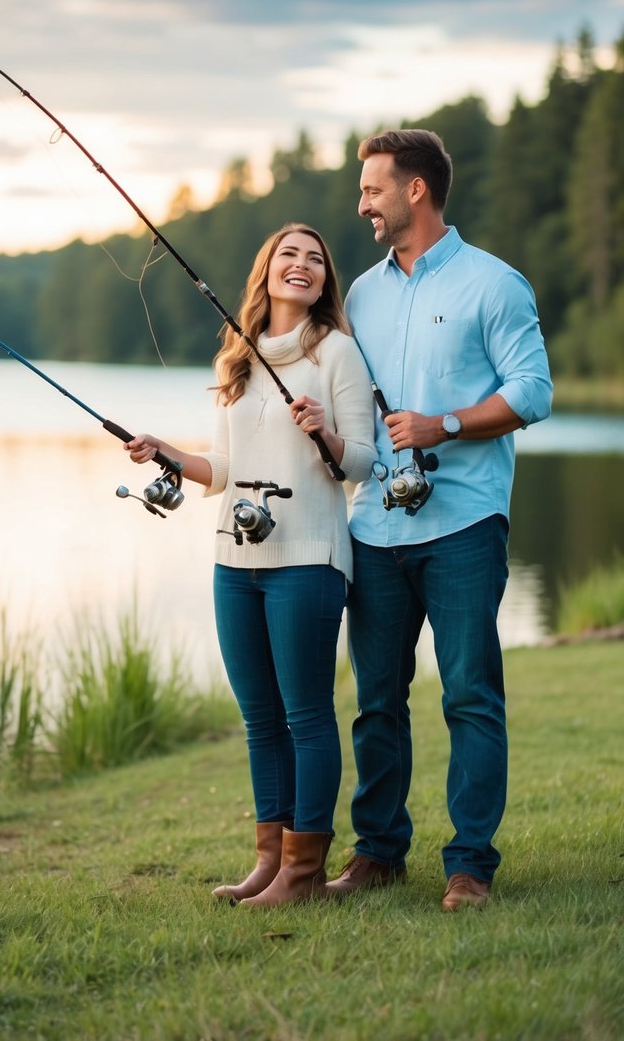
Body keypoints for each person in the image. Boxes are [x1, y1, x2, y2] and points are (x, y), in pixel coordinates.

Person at [326, 129, 553, 912]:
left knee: (469, 696)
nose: (361, 204)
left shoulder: (495, 285)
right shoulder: (359, 294)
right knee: (375, 702)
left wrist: (443, 426)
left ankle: (469, 866)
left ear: (413, 190)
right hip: (374, 530)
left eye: (371, 189)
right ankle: (378, 853)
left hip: (462, 526)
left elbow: (533, 393)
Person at [125, 223, 376, 907]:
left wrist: (321, 429)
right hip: (233, 560)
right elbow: (224, 470)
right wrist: (166, 453)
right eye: (288, 255)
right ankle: (270, 860)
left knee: (305, 716)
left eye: (315, 259)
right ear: (265, 270)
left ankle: (304, 873)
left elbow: (360, 463)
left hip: (308, 559)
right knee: (259, 719)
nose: (301, 266)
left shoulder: (337, 354)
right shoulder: (236, 359)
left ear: (324, 280)